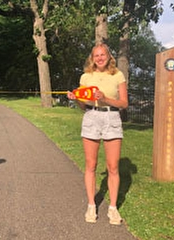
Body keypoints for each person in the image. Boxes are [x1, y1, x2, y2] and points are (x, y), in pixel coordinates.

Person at [67, 43, 128, 225]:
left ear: (109, 56)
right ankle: (91, 205)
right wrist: (77, 98)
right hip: (91, 117)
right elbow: (83, 105)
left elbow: (124, 103)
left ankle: (113, 208)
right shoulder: (85, 76)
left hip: (112, 117)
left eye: (103, 55)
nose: (100, 58)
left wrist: (105, 98)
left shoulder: (117, 74)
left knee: (113, 166)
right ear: (92, 58)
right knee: (91, 164)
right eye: (96, 55)